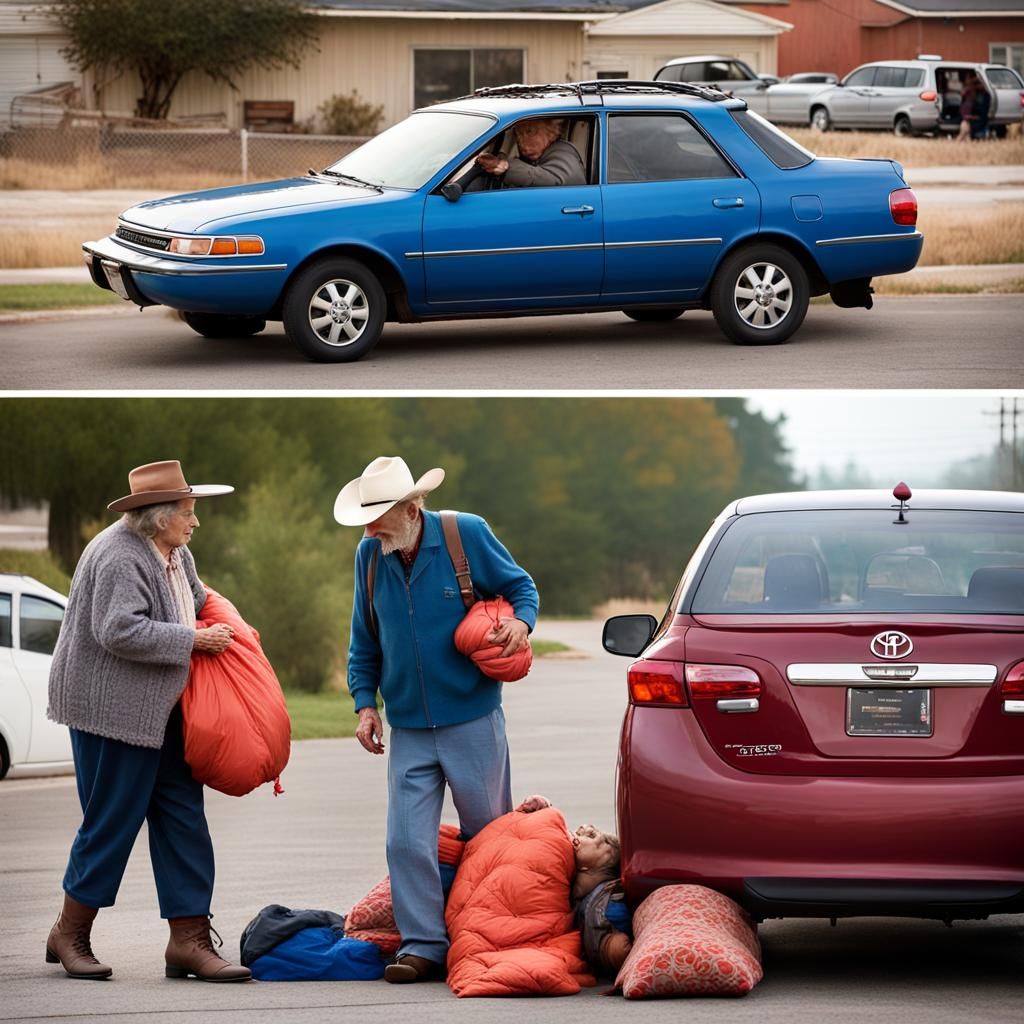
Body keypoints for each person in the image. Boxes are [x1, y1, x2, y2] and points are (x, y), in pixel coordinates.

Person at [46, 460, 251, 983]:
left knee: (183, 818)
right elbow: (119, 630)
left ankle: (188, 941)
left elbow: (198, 599)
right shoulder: (118, 555)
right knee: (111, 822)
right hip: (109, 712)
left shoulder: (175, 552)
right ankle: (69, 933)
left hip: (161, 711)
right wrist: (193, 640)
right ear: (158, 517)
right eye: (188, 511)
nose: (195, 521)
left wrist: (234, 628)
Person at [336, 455, 538, 984]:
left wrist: (521, 624)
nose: (370, 525)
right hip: (407, 727)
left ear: (411, 506)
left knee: (490, 839)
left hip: (472, 717)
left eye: (379, 513)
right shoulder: (370, 556)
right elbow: (364, 638)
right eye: (366, 515)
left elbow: (523, 589)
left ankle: (493, 938)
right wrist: (364, 705)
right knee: (405, 841)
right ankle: (424, 946)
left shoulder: (463, 533)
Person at [515, 794, 632, 975]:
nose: (579, 833)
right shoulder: (565, 876)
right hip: (589, 938)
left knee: (616, 947)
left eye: (591, 836)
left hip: (608, 934)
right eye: (578, 833)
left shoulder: (612, 895)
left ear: (606, 858)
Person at [475, 117, 587, 188]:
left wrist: (506, 167)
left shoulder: (564, 152)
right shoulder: (533, 159)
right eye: (519, 134)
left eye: (530, 131)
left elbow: (553, 181)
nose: (523, 142)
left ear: (550, 131)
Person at [958, 70, 979, 142]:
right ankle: (962, 137)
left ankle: (966, 138)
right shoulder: (970, 86)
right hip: (967, 105)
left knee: (967, 122)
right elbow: (962, 93)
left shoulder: (971, 85)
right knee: (966, 120)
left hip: (969, 105)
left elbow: (962, 93)